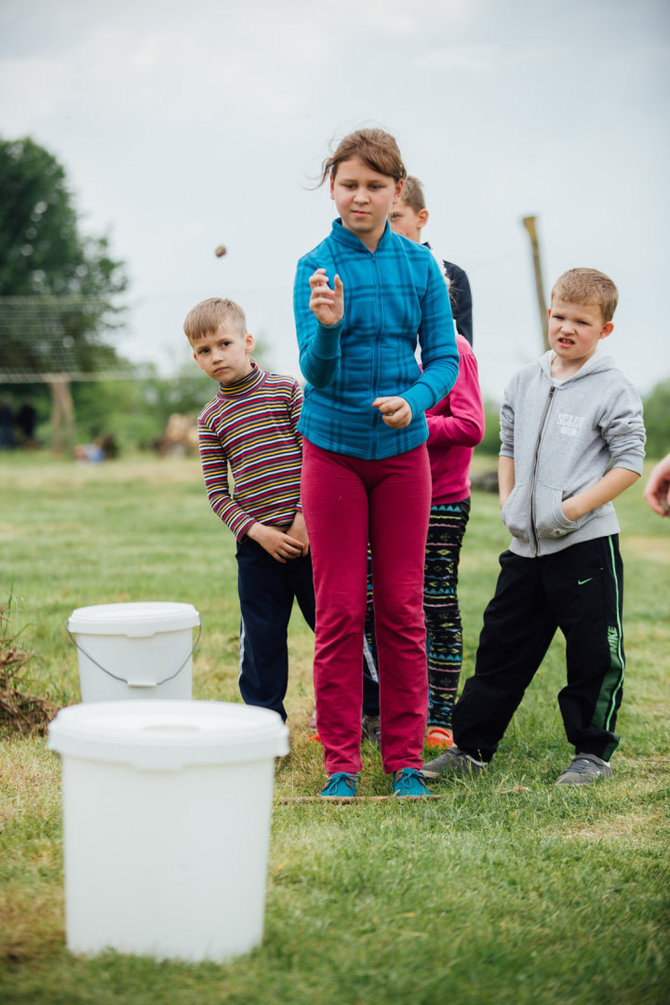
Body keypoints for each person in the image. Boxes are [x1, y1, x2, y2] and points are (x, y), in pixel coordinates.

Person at [423, 267, 646, 786]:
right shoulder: (524, 380)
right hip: (525, 549)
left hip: (585, 546)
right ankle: (470, 747)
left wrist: (570, 512)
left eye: (582, 322)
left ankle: (592, 753)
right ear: (549, 314)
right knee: (500, 647)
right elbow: (505, 447)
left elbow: (629, 463)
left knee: (593, 650)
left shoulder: (612, 389)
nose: (567, 329)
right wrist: (510, 502)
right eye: (559, 316)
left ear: (604, 330)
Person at [294, 128, 460, 798]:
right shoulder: (315, 265)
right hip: (330, 452)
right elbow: (314, 371)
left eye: (374, 185)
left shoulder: (420, 267)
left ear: (397, 190)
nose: (360, 196)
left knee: (400, 607)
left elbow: (444, 359)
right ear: (332, 188)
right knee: (337, 609)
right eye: (349, 184)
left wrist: (416, 400)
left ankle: (405, 760)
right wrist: (328, 325)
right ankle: (341, 761)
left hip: (400, 458)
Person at [362, 184, 486, 751]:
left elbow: (469, 425)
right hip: (382, 492)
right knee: (376, 604)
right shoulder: (385, 354)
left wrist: (413, 423)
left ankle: (441, 715)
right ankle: (390, 709)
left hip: (440, 496)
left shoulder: (455, 351)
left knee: (434, 603)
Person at [184, 297, 315, 722]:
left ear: (247, 341)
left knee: (340, 628)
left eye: (224, 343)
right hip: (258, 548)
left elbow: (315, 458)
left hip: (312, 537)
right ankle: (264, 725)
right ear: (196, 358)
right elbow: (218, 494)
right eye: (204, 350)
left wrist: (302, 519)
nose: (216, 356)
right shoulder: (211, 418)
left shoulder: (287, 390)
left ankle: (370, 712)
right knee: (261, 639)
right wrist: (257, 532)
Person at [389, 176, 473, 345]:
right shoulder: (368, 271)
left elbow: (462, 352)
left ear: (421, 218)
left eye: (395, 216)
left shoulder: (453, 275)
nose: (388, 227)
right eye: (382, 219)